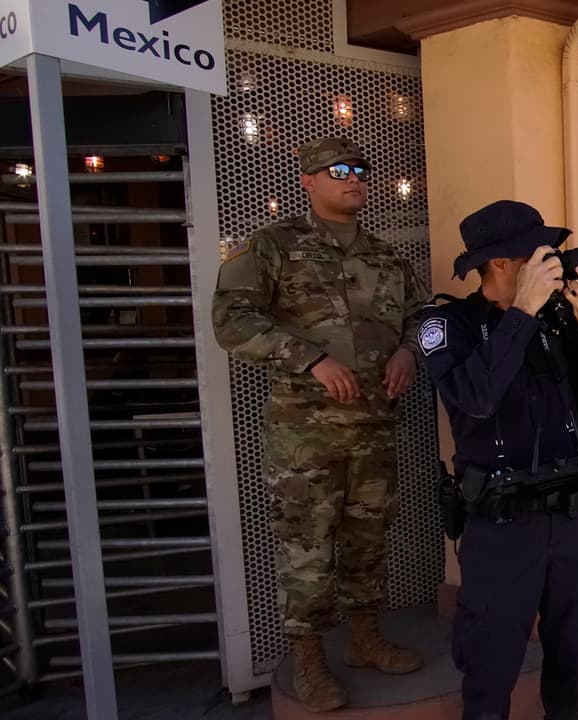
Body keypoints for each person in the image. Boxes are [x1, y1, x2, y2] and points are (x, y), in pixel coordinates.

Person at [212, 137, 426, 712]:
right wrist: (308, 358)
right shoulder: (272, 246)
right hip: (305, 435)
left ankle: (363, 638)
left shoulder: (387, 256)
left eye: (361, 169)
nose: (355, 178)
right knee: (307, 548)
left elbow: (427, 319)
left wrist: (411, 351)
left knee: (368, 540)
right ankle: (309, 659)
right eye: (340, 170)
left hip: (376, 427)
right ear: (308, 181)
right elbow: (231, 319)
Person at [419, 200, 578, 720]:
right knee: (489, 664)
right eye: (540, 252)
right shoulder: (447, 324)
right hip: (501, 530)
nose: (553, 259)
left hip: (572, 523)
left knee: (574, 659)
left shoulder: (561, 320)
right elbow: (474, 399)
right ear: (501, 263)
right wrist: (520, 314)